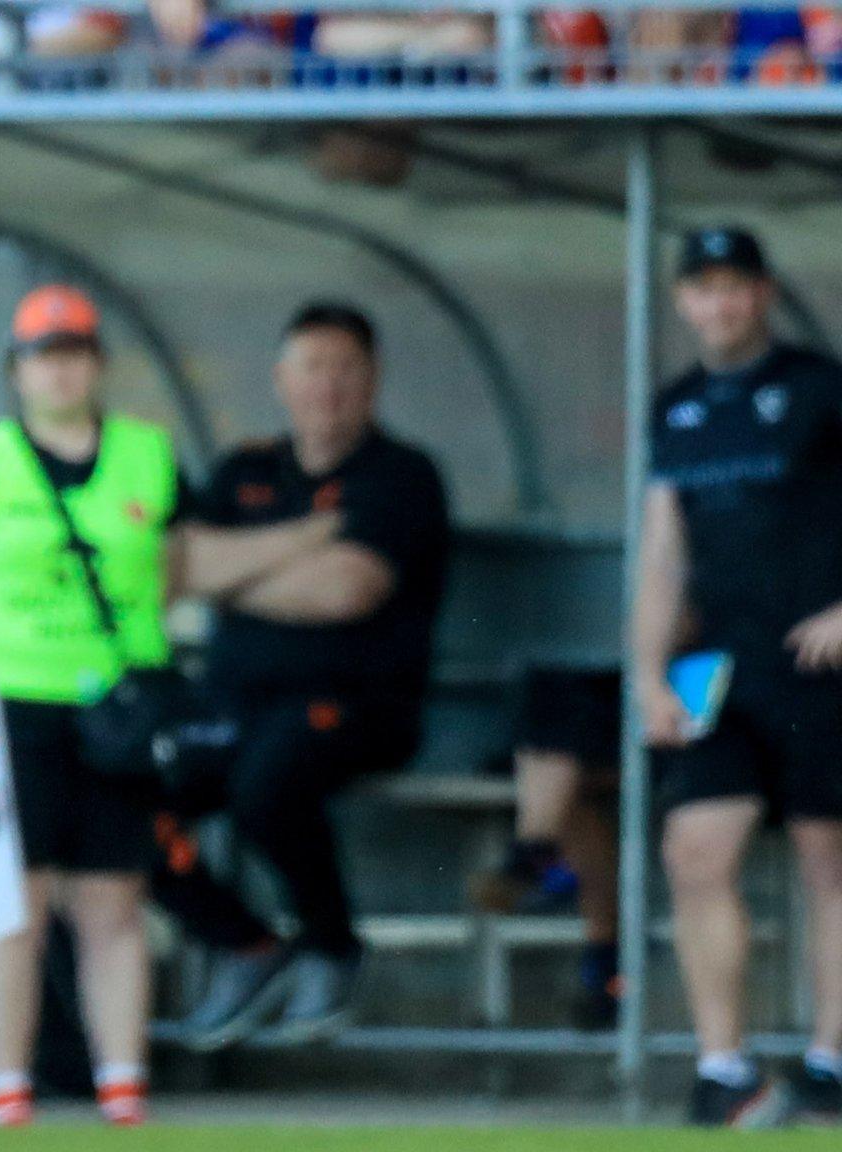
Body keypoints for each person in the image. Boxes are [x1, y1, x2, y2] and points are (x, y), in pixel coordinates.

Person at [0, 284, 340, 1127]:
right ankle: (4, 1092)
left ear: (96, 365)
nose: (60, 372)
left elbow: (182, 564)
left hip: (117, 706)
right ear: (17, 371)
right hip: (10, 701)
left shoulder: (146, 455)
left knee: (114, 901)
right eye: (43, 356)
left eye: (74, 353)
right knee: (13, 901)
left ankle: (122, 1087)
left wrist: (313, 537)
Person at [172, 301, 451, 1050]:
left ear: (372, 379)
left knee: (265, 786)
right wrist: (305, 537)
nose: (326, 386)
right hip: (234, 703)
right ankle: (246, 946)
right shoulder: (244, 469)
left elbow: (346, 590)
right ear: (282, 380)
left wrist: (235, 573)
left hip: (354, 704)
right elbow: (180, 566)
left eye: (344, 369)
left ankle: (331, 947)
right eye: (312, 368)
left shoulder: (401, 474)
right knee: (124, 795)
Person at [638, 226, 842, 1127]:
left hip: (814, 660)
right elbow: (662, 551)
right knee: (694, 850)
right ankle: (723, 1066)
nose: (719, 304)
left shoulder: (819, 389)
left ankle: (832, 1060)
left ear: (762, 294)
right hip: (714, 668)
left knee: (826, 858)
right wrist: (648, 671)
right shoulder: (675, 408)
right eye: (702, 287)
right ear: (683, 300)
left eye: (735, 286)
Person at [469, 666, 623, 1031]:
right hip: (580, 750)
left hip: (663, 717)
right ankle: (605, 965)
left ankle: (534, 853)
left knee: (563, 754)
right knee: (566, 778)